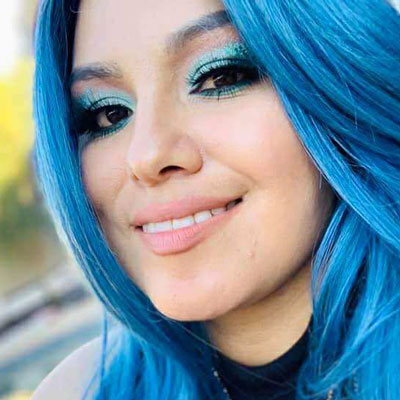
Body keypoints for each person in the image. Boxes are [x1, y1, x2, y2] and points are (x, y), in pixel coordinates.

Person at [31, 0, 400, 399]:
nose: (146, 156)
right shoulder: (81, 391)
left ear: (339, 79)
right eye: (108, 114)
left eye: (220, 77)